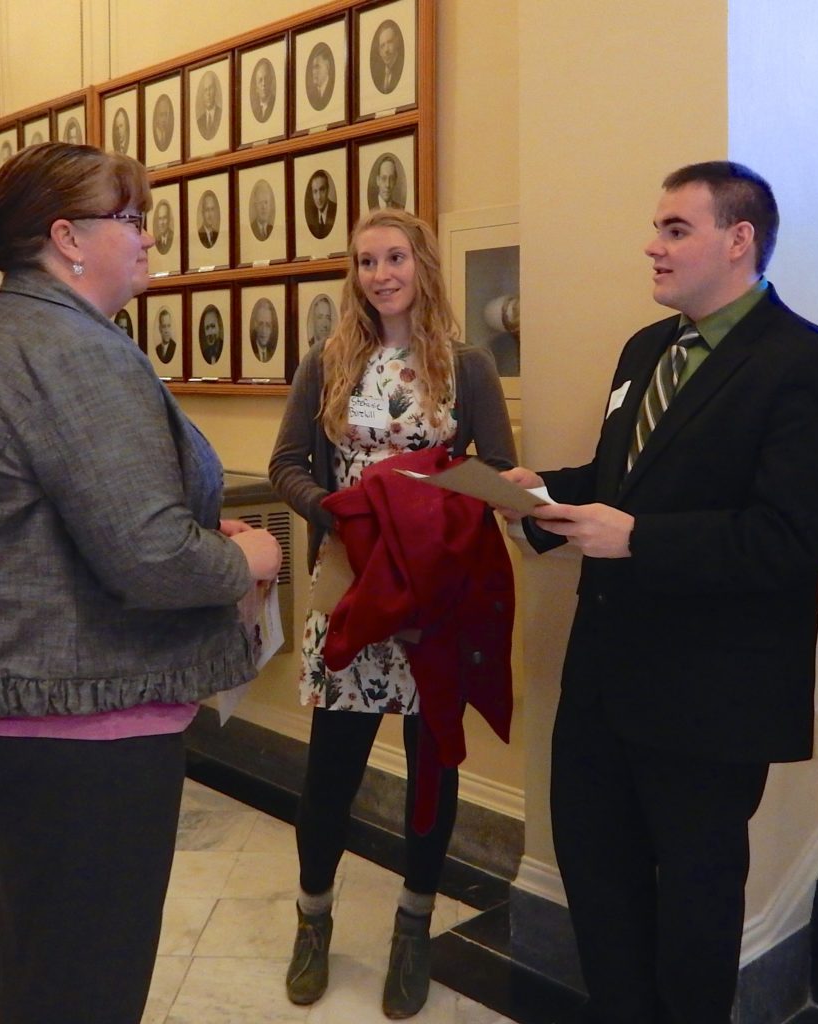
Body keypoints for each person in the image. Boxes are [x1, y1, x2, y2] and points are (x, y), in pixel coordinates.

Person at [0, 141, 281, 1024]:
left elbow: (63, 511)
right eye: (131, 219)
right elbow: (146, 558)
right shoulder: (72, 350)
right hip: (68, 719)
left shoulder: (15, 327)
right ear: (68, 237)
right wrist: (247, 560)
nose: (146, 238)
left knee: (39, 962)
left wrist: (180, 524)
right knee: (82, 986)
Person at [496, 162, 818, 1024]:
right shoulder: (644, 350)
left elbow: (787, 539)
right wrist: (537, 495)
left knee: (695, 908)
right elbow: (624, 482)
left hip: (710, 699)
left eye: (674, 229)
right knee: (598, 879)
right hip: (601, 684)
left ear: (738, 241)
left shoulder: (809, 363)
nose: (651, 246)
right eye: (656, 228)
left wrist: (639, 538)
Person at [268, 208, 516, 1017]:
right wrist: (338, 512)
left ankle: (413, 927)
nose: (381, 274)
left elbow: (499, 470)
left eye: (395, 257)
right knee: (331, 773)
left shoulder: (465, 367)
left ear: (422, 264)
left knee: (431, 769)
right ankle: (313, 919)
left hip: (436, 595)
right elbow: (286, 463)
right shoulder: (328, 362)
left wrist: (453, 513)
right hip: (353, 585)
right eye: (367, 261)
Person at [372, 21, 403, 94]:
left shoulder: (402, 68)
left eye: (389, 42)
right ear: (379, 52)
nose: (386, 50)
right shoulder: (378, 76)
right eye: (382, 46)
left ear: (397, 42)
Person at [304, 170, 336, 239]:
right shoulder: (310, 216)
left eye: (322, 190)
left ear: (328, 190)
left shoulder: (335, 211)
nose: (319, 197)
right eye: (315, 192)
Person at [306, 44, 335, 111]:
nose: (314, 72)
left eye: (317, 67)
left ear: (327, 67)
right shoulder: (313, 95)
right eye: (313, 68)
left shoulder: (332, 89)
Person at [196, 70, 222, 140]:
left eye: (210, 88)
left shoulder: (221, 114)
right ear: (203, 95)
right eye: (205, 90)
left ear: (215, 90)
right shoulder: (199, 121)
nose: (208, 94)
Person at [250, 58, 275, 123]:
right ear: (256, 86)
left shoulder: (274, 104)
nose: (263, 84)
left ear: (271, 81)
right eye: (260, 80)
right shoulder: (256, 110)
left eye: (266, 79)